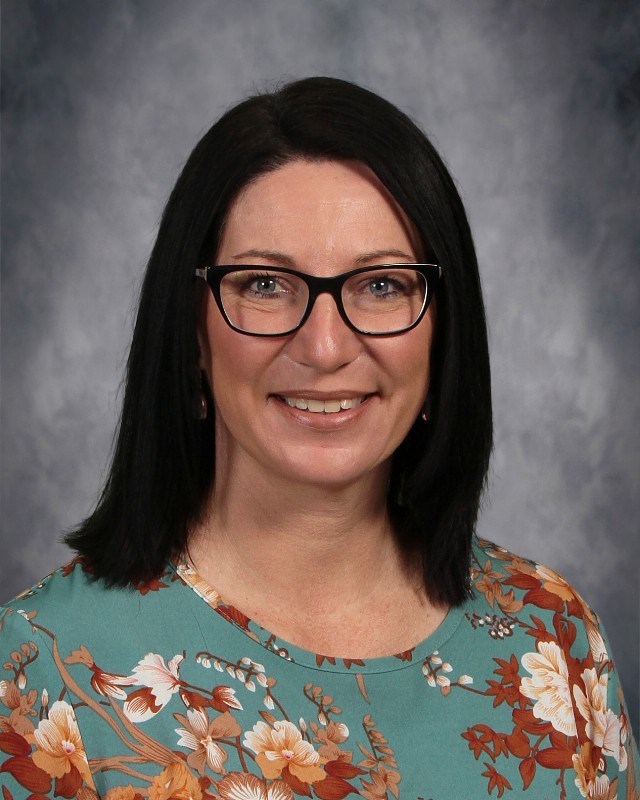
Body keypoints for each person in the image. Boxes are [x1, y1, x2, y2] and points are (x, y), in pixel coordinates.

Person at [0, 77, 636, 800]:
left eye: (382, 285)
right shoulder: (40, 676)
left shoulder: (553, 638)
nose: (326, 347)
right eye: (265, 285)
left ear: (443, 333)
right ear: (192, 334)